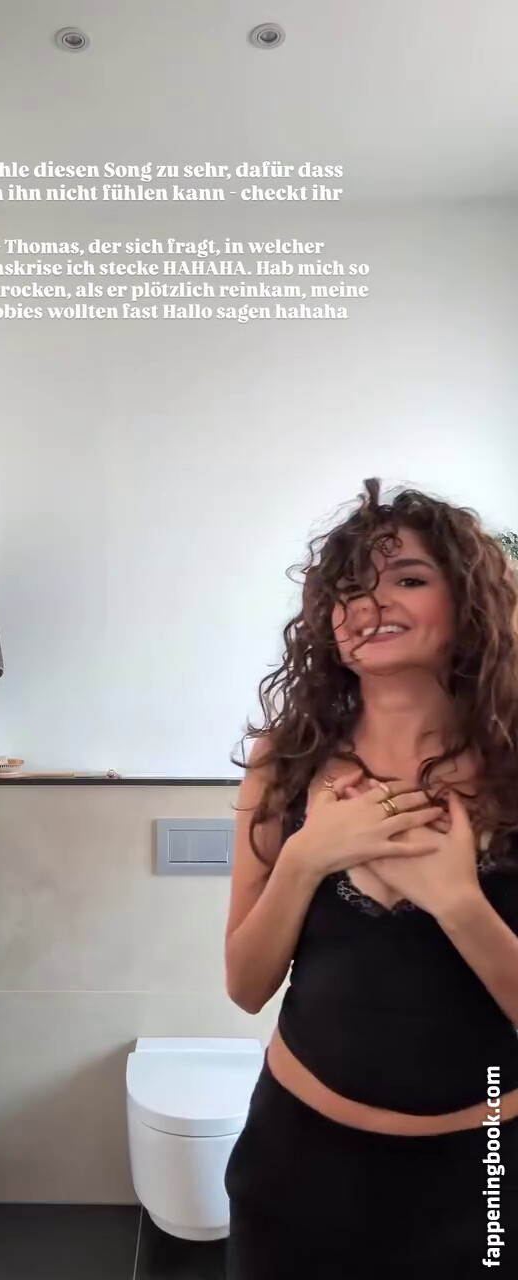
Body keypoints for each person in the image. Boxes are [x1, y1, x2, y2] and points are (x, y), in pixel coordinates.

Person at [223, 478, 518, 1278]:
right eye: (348, 589)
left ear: (469, 603)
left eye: (407, 579)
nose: (369, 604)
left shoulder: (511, 768)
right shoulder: (285, 760)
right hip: (294, 1164)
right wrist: (308, 856)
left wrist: (460, 904)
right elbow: (246, 985)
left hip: (482, 1177)